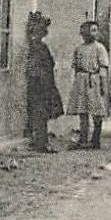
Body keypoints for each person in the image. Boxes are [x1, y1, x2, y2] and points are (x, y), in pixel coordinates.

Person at [67, 20, 111, 148]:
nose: (94, 33)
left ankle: (95, 139)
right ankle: (83, 139)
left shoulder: (100, 48)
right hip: (81, 80)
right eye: (91, 30)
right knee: (83, 110)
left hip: (94, 80)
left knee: (96, 110)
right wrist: (75, 83)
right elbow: (75, 67)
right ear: (83, 32)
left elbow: (103, 67)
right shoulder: (79, 49)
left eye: (96, 30)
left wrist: (103, 85)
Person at [25, 13, 65, 152]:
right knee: (40, 113)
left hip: (43, 82)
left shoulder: (40, 46)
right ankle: (40, 142)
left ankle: (38, 140)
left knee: (41, 112)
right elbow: (34, 67)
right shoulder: (36, 47)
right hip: (39, 84)